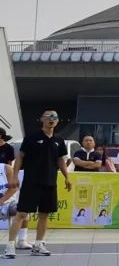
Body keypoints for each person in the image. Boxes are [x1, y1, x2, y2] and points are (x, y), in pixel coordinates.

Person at [1, 110, 70, 258]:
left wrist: (67, 177)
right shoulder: (32, 137)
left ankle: (38, 245)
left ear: (57, 121)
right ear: (42, 119)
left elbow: (60, 160)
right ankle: (10, 246)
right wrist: (14, 176)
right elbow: (20, 156)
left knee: (44, 214)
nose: (52, 119)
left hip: (50, 182)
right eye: (48, 117)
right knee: (22, 213)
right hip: (31, 182)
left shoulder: (59, 140)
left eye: (54, 117)